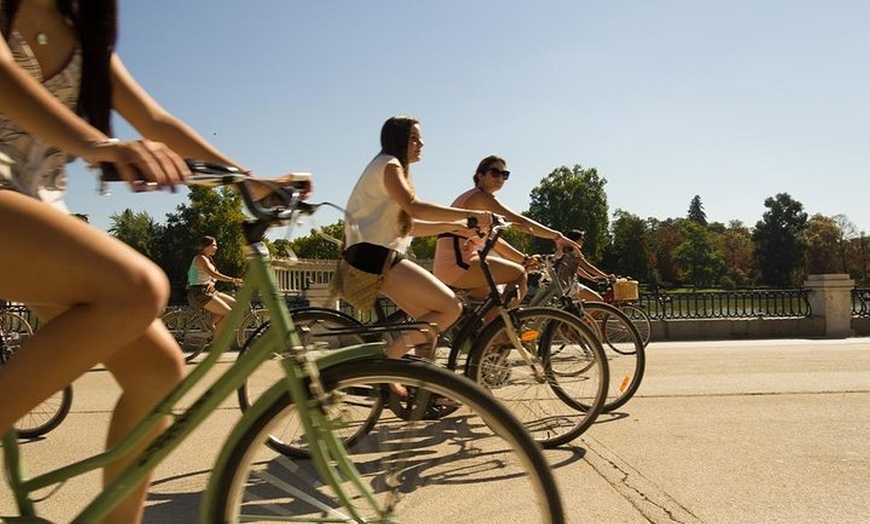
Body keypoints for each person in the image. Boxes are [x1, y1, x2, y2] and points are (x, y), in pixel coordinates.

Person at [0, 2, 279, 522]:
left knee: (158, 369)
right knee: (138, 287)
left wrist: (249, 179)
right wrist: (99, 144)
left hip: (38, 210)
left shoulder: (80, 34)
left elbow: (154, 119)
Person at [342, 115, 491, 389]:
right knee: (451, 307)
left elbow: (408, 226)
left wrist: (458, 224)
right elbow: (415, 207)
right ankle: (388, 364)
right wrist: (471, 213)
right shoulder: (390, 165)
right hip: (377, 256)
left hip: (370, 255)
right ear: (398, 141)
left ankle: (423, 391)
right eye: (414, 138)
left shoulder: (389, 167)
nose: (421, 143)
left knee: (428, 327)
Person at [433, 154, 580, 304]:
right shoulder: (480, 198)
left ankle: (497, 325)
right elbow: (520, 221)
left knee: (492, 300)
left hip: (453, 265)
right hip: (458, 264)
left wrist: (525, 260)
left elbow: (496, 242)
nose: (500, 178)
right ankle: (508, 325)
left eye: (505, 174)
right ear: (480, 176)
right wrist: (557, 237)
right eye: (495, 172)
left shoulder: (480, 205)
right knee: (518, 274)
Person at [187, 235, 243, 338]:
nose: (216, 248)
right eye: (214, 245)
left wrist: (212, 282)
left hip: (209, 290)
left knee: (235, 304)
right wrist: (232, 280)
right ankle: (217, 343)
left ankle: (212, 322)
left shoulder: (209, 259)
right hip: (199, 293)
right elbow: (213, 274)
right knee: (229, 313)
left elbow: (214, 277)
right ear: (206, 246)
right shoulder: (201, 259)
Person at [558, 229, 618, 302]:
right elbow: (588, 267)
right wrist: (606, 276)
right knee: (598, 300)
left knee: (582, 305)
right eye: (582, 239)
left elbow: (577, 269)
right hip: (570, 286)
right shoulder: (575, 252)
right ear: (576, 240)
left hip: (562, 285)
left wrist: (591, 278)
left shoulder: (564, 250)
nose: (583, 241)